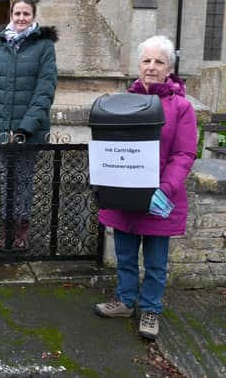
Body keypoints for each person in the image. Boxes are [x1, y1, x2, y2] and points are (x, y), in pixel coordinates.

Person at [94, 35, 197, 340]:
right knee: (125, 255)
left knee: (154, 262)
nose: (151, 67)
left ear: (169, 69)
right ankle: (126, 301)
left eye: (159, 62)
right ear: (138, 66)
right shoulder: (122, 102)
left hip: (160, 197)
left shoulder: (181, 108)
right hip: (124, 194)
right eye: (146, 61)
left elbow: (184, 154)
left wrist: (164, 189)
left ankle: (150, 308)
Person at [0, 0, 58, 250]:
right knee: (5, 181)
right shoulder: (0, 45)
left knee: (23, 180)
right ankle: (6, 230)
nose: (21, 18)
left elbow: (45, 88)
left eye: (26, 14)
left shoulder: (44, 46)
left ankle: (21, 232)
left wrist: (26, 126)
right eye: (17, 13)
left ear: (34, 16)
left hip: (27, 131)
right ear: (11, 15)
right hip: (2, 129)